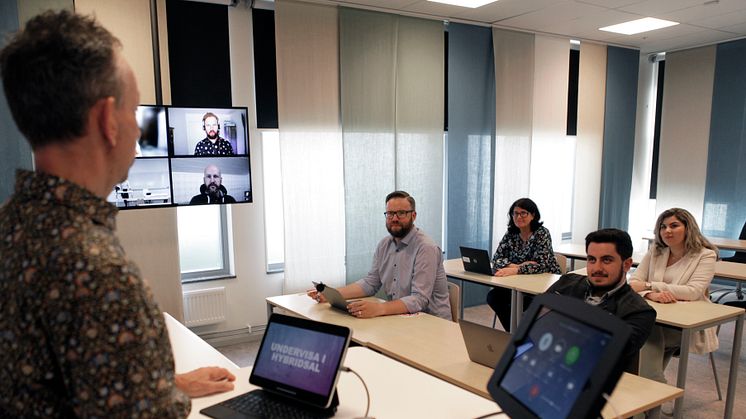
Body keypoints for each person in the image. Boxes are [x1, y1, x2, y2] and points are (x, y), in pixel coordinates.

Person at [0, 11, 235, 417]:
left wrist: (162, 384)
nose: (137, 131)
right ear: (108, 120)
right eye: (134, 112)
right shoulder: (100, 275)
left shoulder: (10, 228)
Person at [307, 191, 451, 320]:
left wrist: (379, 308)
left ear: (413, 215)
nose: (395, 218)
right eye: (390, 213)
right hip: (401, 318)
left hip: (431, 323)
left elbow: (419, 299)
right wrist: (332, 294)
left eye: (401, 213)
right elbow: (371, 283)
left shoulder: (426, 248)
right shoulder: (384, 245)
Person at [545, 229, 656, 372]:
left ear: (627, 264)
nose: (597, 268)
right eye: (591, 259)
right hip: (546, 365)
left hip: (592, 382)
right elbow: (531, 320)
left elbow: (602, 354)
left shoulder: (639, 312)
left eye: (607, 260)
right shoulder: (567, 283)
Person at [629, 208, 719, 385]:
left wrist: (649, 285)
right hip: (657, 316)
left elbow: (693, 291)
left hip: (685, 324)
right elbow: (633, 283)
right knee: (641, 327)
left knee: (642, 330)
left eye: (674, 225)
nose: (667, 231)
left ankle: (650, 385)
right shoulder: (656, 251)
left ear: (688, 228)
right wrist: (652, 295)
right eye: (663, 227)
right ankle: (651, 385)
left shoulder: (705, 255)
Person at [486, 198, 561, 330]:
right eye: (515, 213)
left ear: (533, 215)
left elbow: (542, 265)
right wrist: (517, 266)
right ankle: (515, 332)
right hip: (518, 282)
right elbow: (496, 259)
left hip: (543, 285)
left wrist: (516, 269)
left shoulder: (542, 233)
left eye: (523, 213)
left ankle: (521, 333)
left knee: (529, 303)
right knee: (494, 297)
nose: (518, 217)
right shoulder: (511, 234)